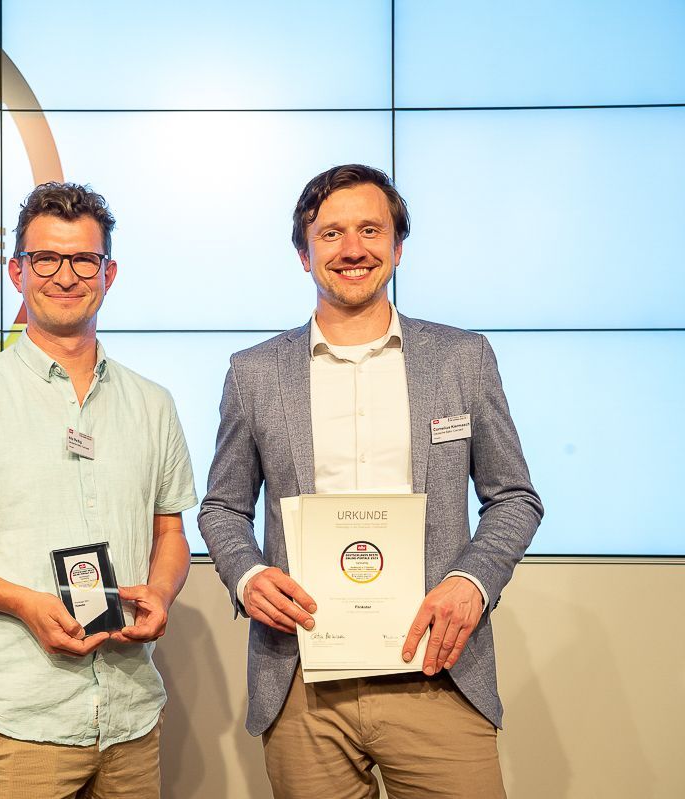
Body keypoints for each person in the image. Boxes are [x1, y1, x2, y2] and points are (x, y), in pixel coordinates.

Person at [198, 164, 542, 798]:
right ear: (304, 254)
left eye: (369, 230)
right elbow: (221, 508)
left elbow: (514, 497)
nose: (351, 249)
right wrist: (248, 578)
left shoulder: (462, 358)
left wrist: (472, 582)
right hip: (304, 682)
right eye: (330, 234)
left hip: (437, 672)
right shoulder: (253, 373)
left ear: (397, 247)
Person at [0, 182, 196, 799]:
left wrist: (161, 591)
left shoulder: (153, 404)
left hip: (130, 722)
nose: (65, 276)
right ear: (16, 271)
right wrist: (23, 601)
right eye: (46, 259)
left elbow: (170, 534)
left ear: (108, 273)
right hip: (18, 724)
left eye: (83, 260)